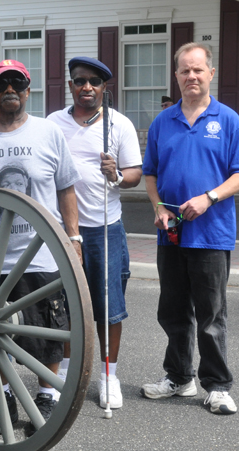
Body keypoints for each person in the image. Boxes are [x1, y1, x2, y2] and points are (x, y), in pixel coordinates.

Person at [0, 59, 81, 437]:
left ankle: (46, 394)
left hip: (42, 253)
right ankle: (5, 395)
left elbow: (66, 189)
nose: (10, 89)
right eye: (1, 84)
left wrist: (73, 241)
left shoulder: (48, 132)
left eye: (18, 83)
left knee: (49, 329)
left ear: (28, 90)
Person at [141, 42, 239, 415]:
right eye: (184, 71)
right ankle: (179, 377)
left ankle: (217, 385)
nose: (191, 76)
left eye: (197, 70)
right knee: (172, 311)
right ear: (176, 76)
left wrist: (209, 198)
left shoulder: (228, 120)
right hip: (170, 232)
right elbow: (150, 174)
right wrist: (157, 206)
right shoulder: (163, 122)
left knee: (210, 314)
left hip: (211, 232)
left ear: (211, 73)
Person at [46, 56, 142, 411]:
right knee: (64, 305)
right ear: (69, 85)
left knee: (109, 307)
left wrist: (115, 173)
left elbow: (134, 174)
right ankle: (68, 373)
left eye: (94, 82)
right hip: (61, 229)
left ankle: (108, 375)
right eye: (79, 81)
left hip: (104, 228)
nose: (86, 87)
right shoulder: (53, 124)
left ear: (105, 88)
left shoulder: (119, 124)